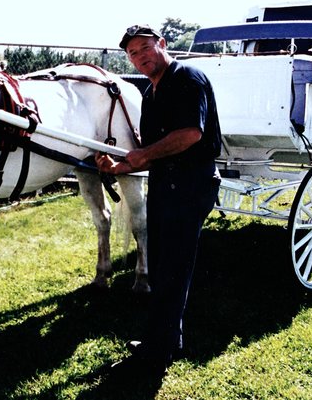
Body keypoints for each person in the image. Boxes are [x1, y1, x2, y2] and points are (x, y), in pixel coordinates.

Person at [96, 24, 222, 376]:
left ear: (162, 44)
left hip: (190, 183)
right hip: (165, 183)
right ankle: (167, 341)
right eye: (132, 54)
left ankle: (157, 351)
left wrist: (142, 155)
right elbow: (150, 155)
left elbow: (190, 134)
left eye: (144, 48)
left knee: (172, 270)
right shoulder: (151, 93)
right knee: (164, 266)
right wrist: (119, 164)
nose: (139, 57)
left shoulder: (187, 78)